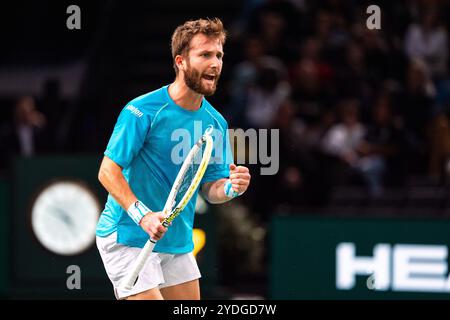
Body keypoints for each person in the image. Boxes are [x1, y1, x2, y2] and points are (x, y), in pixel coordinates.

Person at [95, 18, 251, 300]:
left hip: (175, 242)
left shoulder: (216, 123)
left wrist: (231, 188)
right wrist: (143, 216)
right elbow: (107, 172)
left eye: (219, 55)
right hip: (127, 237)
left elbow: (211, 188)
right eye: (205, 55)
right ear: (180, 61)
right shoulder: (141, 111)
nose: (215, 63)